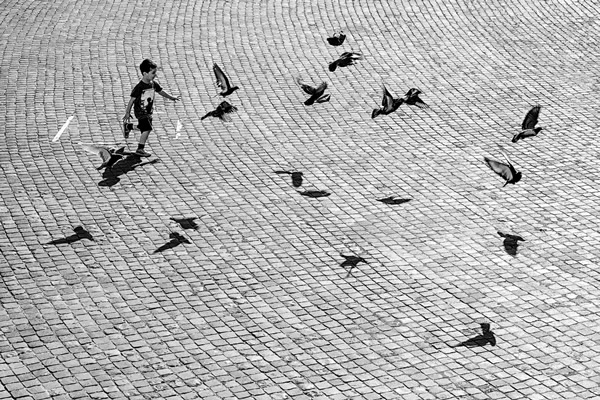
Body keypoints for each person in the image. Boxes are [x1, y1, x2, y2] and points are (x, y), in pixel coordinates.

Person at [123, 59, 180, 156]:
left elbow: (161, 91)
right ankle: (140, 149)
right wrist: (127, 113)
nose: (155, 75)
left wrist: (171, 97)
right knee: (147, 129)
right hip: (141, 112)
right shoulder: (139, 87)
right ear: (145, 73)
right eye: (153, 73)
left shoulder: (153, 84)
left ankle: (128, 126)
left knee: (143, 127)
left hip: (148, 111)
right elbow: (132, 100)